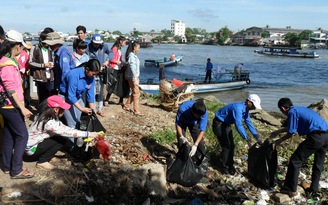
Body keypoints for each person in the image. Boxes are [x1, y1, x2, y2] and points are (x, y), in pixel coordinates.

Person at [271, 98, 328, 198]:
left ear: (283, 108)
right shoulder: (299, 109)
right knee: (318, 164)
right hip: (326, 136)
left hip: (316, 137)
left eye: (281, 111)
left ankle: (291, 189)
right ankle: (313, 190)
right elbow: (293, 127)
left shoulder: (292, 112)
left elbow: (291, 132)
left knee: (295, 160)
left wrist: (279, 140)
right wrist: (279, 131)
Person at [24, 95, 98, 170]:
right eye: (63, 109)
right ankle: (42, 162)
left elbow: (64, 128)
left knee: (58, 138)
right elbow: (66, 132)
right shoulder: (49, 122)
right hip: (30, 150)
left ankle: (47, 155)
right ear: (56, 109)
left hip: (31, 144)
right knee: (60, 140)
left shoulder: (47, 115)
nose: (64, 111)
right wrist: (88, 134)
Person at [0, 30, 34, 179]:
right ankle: (17, 170)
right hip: (10, 105)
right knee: (22, 135)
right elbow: (10, 89)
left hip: (9, 105)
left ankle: (7, 166)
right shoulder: (7, 64)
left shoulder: (8, 60)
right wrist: (23, 108)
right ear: (17, 46)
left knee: (9, 134)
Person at [212, 94, 262, 175]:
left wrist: (256, 136)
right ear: (249, 102)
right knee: (226, 146)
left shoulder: (246, 109)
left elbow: (248, 122)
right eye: (254, 105)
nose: (254, 108)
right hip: (219, 123)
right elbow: (238, 124)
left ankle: (230, 165)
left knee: (232, 146)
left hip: (227, 124)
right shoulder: (237, 108)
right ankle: (224, 168)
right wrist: (246, 138)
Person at [59, 59, 100, 143]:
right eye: (93, 74)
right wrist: (82, 109)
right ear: (86, 69)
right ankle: (71, 145)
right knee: (72, 123)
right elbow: (70, 96)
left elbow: (90, 95)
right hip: (65, 97)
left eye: (96, 74)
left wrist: (92, 110)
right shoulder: (73, 75)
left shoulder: (91, 77)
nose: (94, 76)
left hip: (77, 97)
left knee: (79, 121)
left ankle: (78, 141)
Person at [29, 27, 55, 105]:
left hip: (50, 76)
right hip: (40, 77)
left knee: (50, 95)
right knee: (42, 96)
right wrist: (43, 65)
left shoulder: (50, 49)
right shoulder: (35, 48)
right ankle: (42, 113)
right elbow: (30, 62)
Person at [87, 34, 110, 117]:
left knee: (100, 92)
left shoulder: (104, 47)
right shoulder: (88, 47)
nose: (97, 45)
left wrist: (107, 61)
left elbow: (111, 53)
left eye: (98, 43)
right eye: (95, 43)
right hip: (91, 73)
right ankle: (93, 109)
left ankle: (100, 109)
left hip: (101, 73)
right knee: (91, 91)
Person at [122, 41, 144, 115]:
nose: (139, 49)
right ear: (134, 47)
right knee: (137, 93)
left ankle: (126, 105)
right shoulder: (131, 56)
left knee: (135, 92)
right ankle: (136, 110)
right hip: (131, 76)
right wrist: (135, 77)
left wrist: (136, 76)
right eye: (138, 48)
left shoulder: (133, 55)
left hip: (132, 76)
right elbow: (132, 66)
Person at [105, 35, 127, 106]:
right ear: (121, 41)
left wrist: (123, 63)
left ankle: (121, 100)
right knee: (112, 84)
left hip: (119, 68)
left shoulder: (119, 48)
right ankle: (106, 99)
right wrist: (117, 62)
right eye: (124, 42)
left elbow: (119, 59)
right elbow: (111, 59)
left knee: (121, 83)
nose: (125, 44)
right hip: (114, 68)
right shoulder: (114, 48)